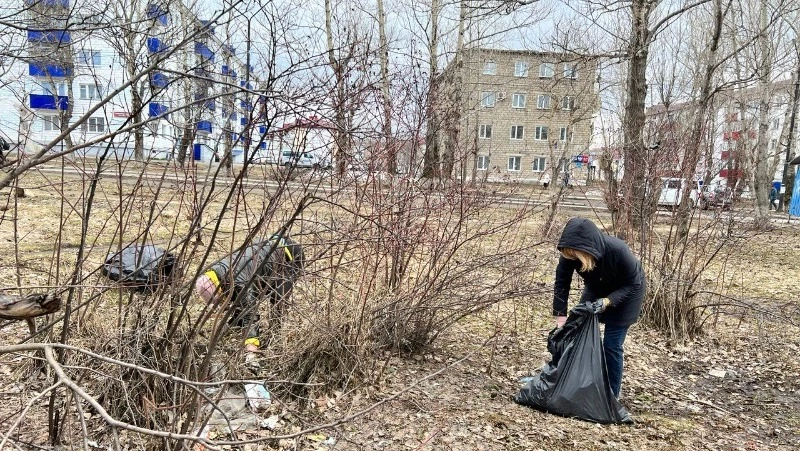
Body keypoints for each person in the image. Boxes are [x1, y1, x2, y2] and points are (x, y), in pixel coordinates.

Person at [552, 218, 645, 399]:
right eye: (568, 254)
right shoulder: (569, 252)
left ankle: (611, 394)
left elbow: (633, 283)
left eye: (575, 255)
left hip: (627, 293)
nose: (571, 258)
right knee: (573, 332)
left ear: (586, 250)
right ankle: (569, 382)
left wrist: (607, 302)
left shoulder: (618, 250)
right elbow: (561, 284)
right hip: (596, 288)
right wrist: (561, 319)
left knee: (612, 345)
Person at [195, 234, 304, 358]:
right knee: (243, 296)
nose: (221, 304)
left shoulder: (239, 284)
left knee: (278, 298)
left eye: (220, 301)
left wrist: (251, 350)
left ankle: (276, 336)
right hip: (271, 245)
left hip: (290, 255)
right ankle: (237, 323)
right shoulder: (212, 272)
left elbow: (250, 315)